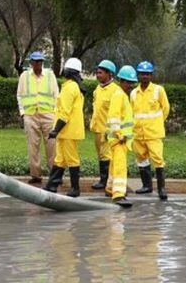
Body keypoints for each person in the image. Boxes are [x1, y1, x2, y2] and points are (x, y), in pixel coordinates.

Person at [43, 57, 85, 197]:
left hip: (68, 131)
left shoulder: (70, 88)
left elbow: (65, 112)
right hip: (66, 131)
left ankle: (75, 189)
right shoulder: (72, 86)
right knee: (60, 159)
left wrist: (56, 130)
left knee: (72, 159)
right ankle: (52, 185)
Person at [17, 51, 59, 184]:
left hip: (48, 115)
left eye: (40, 61)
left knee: (52, 145)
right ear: (31, 63)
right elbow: (19, 94)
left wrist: (55, 112)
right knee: (32, 146)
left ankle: (55, 174)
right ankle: (35, 175)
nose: (38, 64)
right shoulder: (24, 76)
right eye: (35, 61)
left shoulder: (50, 75)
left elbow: (56, 94)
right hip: (30, 115)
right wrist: (23, 112)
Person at [131, 61, 170, 200]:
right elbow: (131, 112)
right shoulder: (133, 93)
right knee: (141, 159)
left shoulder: (159, 90)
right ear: (138, 75)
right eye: (142, 74)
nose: (145, 76)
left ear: (151, 75)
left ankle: (162, 189)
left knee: (158, 160)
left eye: (147, 74)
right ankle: (146, 186)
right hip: (138, 133)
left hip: (154, 133)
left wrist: (157, 123)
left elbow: (165, 109)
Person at [105, 65, 137, 207]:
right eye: (128, 82)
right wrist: (119, 134)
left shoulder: (122, 95)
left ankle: (110, 188)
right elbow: (114, 117)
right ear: (121, 81)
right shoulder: (119, 95)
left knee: (114, 165)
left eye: (132, 83)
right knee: (120, 166)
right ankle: (118, 194)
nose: (130, 85)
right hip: (119, 139)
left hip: (118, 139)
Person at [89, 60, 122, 191]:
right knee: (101, 156)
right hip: (97, 129)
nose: (98, 75)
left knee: (107, 156)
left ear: (109, 74)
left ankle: (106, 180)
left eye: (100, 73)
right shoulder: (98, 89)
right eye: (97, 73)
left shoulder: (115, 90)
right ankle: (104, 179)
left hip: (107, 130)